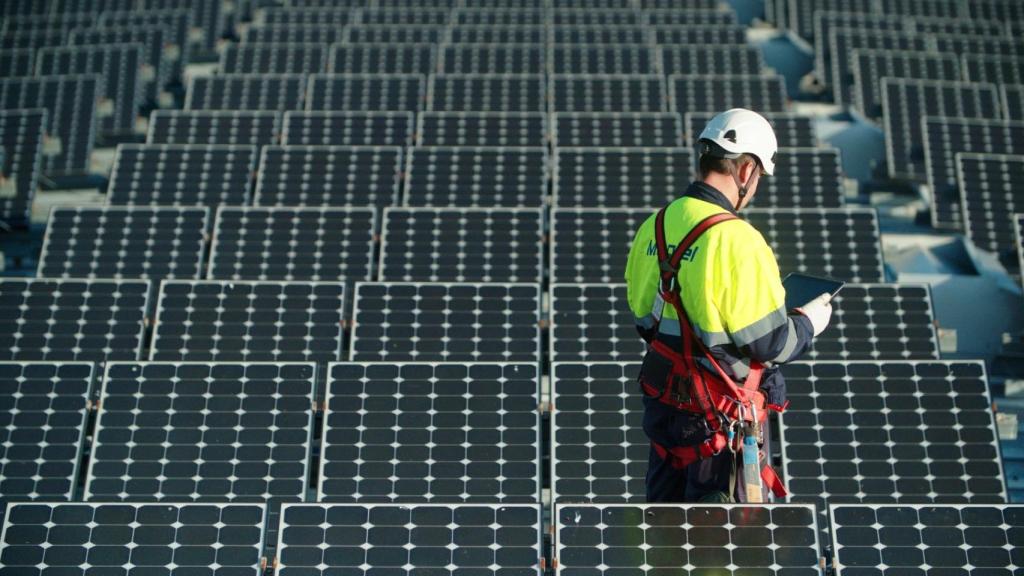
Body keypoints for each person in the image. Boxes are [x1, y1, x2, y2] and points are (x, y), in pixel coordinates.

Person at [624, 108, 834, 503]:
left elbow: (645, 321)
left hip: (666, 418)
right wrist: (809, 323)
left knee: (664, 529)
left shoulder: (654, 226)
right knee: (726, 537)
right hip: (720, 428)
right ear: (746, 169)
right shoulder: (739, 240)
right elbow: (770, 343)